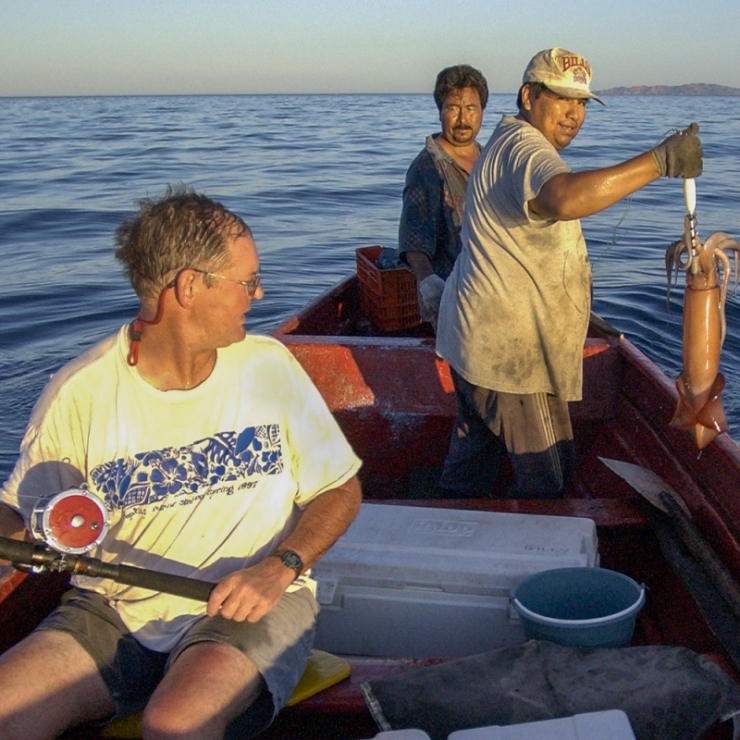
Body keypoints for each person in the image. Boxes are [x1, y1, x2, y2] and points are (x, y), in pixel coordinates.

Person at [0, 187, 362, 740]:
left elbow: (340, 491)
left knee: (176, 722)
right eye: (247, 282)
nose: (259, 294)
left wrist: (279, 566)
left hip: (254, 601)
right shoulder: (80, 391)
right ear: (190, 286)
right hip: (114, 607)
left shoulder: (268, 367)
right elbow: (21, 517)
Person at [436, 47, 703, 499]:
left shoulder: (503, 142)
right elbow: (562, 197)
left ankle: (442, 535)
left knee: (471, 472)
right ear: (527, 96)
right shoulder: (525, 149)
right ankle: (539, 562)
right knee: (550, 484)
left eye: (581, 104)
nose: (574, 114)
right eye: (561, 99)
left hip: (471, 342)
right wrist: (659, 161)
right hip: (512, 361)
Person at [399, 63, 488, 329]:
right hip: (454, 301)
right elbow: (413, 239)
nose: (463, 119)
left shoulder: (490, 160)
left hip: (492, 295)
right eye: (453, 108)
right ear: (440, 112)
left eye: (471, 108)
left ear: (482, 111)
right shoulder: (427, 168)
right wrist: (429, 284)